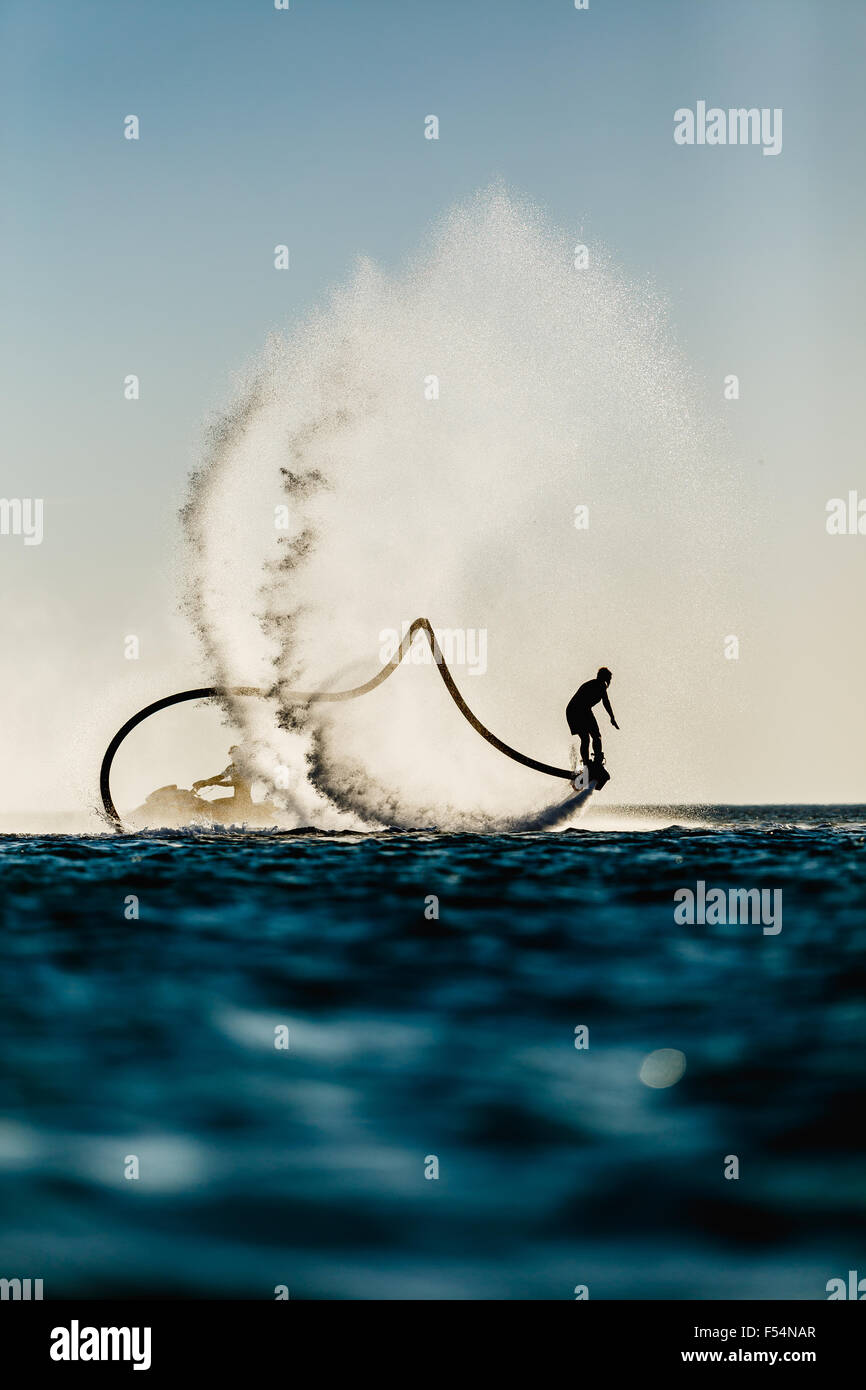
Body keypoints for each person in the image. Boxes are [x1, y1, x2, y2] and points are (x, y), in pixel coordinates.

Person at [566, 667, 619, 778]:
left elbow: (605, 701)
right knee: (594, 737)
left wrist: (612, 717)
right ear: (604, 678)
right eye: (608, 679)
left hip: (575, 710)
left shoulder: (596, 684)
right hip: (578, 710)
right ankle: (594, 764)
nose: (608, 682)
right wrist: (612, 717)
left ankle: (589, 765)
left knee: (587, 738)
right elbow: (606, 702)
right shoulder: (600, 685)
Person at [192, 746, 254, 819]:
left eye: (235, 755)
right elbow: (220, 777)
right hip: (235, 800)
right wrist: (204, 782)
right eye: (231, 755)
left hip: (244, 802)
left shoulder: (245, 768)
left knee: (211, 806)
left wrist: (215, 783)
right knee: (209, 806)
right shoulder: (231, 768)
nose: (232, 757)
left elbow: (233, 783)